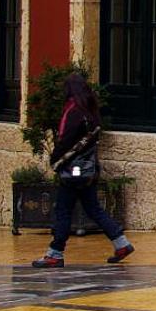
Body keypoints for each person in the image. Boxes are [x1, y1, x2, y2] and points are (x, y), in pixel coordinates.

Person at [31, 74, 134, 267]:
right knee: (93, 208)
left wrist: (55, 160)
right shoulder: (91, 112)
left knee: (63, 210)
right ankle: (122, 243)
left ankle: (55, 254)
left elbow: (66, 141)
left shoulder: (74, 112)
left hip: (73, 172)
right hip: (89, 169)